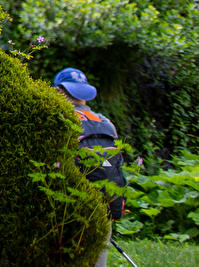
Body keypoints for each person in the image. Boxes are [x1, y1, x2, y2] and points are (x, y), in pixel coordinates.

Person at [54, 67, 129, 267]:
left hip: (70, 205)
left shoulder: (60, 118)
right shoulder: (106, 123)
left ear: (59, 90)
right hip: (105, 203)